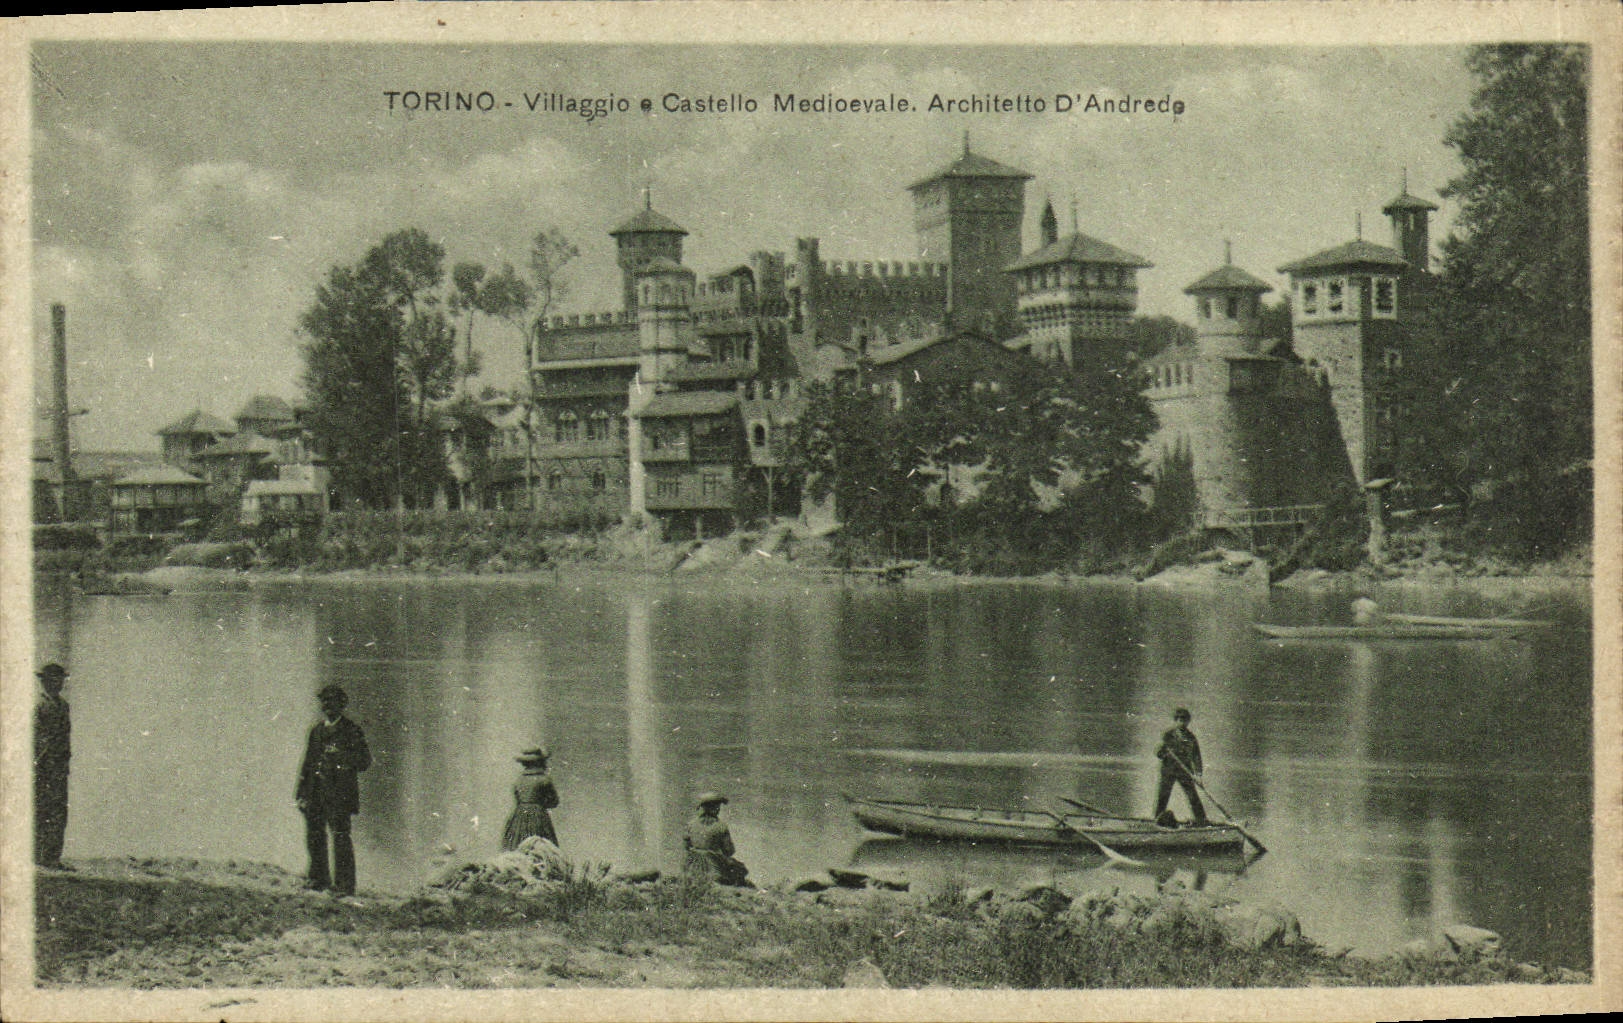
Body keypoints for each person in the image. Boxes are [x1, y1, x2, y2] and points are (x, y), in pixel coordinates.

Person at [296, 684, 371, 896]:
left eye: (332, 702)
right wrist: (301, 794)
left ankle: (345, 886)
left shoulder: (351, 731)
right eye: (325, 702)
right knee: (315, 835)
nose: (328, 706)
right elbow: (308, 764)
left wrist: (340, 760)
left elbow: (365, 761)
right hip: (316, 793)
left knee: (340, 837)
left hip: (340, 795)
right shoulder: (317, 731)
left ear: (342, 705)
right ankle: (319, 879)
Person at [34, 663, 72, 870]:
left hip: (59, 767)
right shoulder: (39, 706)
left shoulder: (64, 705)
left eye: (61, 680)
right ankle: (39, 857)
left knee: (59, 811)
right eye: (53, 679)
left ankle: (53, 857)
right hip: (43, 767)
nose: (58, 683)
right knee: (42, 810)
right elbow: (35, 738)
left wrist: (64, 762)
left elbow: (66, 737)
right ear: (44, 681)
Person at [683, 792, 751, 887]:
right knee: (740, 869)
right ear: (712, 808)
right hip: (713, 866)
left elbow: (686, 846)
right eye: (717, 806)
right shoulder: (720, 826)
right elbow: (729, 851)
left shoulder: (690, 825)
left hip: (693, 865)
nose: (719, 809)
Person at [1153, 707, 1208, 826]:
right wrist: (1163, 751)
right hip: (1168, 770)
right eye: (1179, 720)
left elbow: (1196, 757)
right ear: (1175, 720)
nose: (1182, 722)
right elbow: (1158, 754)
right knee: (1163, 796)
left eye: (1184, 720)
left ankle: (1203, 822)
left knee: (1193, 797)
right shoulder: (1168, 735)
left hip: (1185, 771)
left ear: (1188, 721)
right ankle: (1156, 822)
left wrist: (1198, 775)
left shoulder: (1191, 737)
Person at [501, 747, 560, 851]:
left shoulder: (519, 780)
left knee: (515, 844)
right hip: (538, 816)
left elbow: (517, 799)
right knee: (544, 847)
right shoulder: (544, 780)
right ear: (540, 763)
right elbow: (554, 802)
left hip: (519, 816)